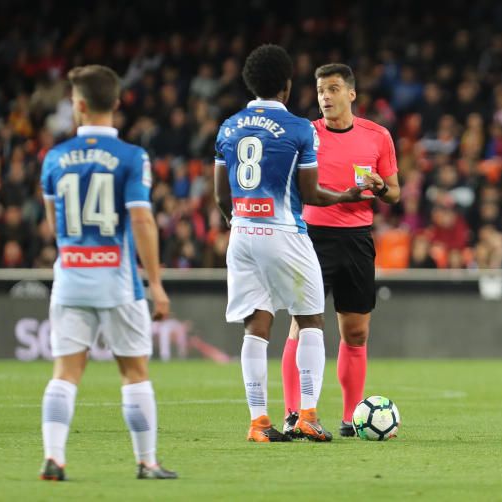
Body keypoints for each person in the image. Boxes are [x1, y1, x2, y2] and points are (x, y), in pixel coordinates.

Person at [214, 45, 374, 443]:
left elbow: (219, 194)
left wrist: (239, 223)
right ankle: (307, 414)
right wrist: (346, 197)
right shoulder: (300, 128)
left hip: (242, 233)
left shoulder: (229, 126)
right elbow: (312, 195)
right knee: (310, 320)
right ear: (287, 85)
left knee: (257, 325)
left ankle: (259, 421)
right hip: (284, 232)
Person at [39, 65, 176, 480]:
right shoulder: (132, 157)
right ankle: (147, 462)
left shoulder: (55, 157)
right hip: (118, 281)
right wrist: (156, 284)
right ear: (117, 103)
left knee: (65, 373)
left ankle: (54, 459)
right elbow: (141, 221)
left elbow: (53, 222)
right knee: (134, 373)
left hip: (71, 279)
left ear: (77, 105)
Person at [281, 63, 401, 439]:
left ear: (351, 93)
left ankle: (352, 418)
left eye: (333, 89)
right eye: (320, 91)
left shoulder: (377, 136)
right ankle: (293, 413)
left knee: (356, 332)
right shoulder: (305, 134)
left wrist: (380, 187)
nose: (325, 97)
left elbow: (395, 194)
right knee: (301, 325)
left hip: (356, 238)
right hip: (310, 237)